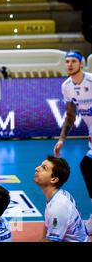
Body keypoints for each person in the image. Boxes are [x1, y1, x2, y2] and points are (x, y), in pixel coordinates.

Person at [54, 50, 92, 234]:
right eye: (67, 61)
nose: (69, 64)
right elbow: (70, 115)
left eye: (73, 61)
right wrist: (62, 139)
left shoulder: (91, 81)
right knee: (88, 166)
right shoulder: (66, 86)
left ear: (81, 64)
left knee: (87, 165)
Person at [33, 156, 90, 242]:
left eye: (44, 168)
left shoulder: (58, 206)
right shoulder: (58, 195)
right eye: (40, 165)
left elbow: (51, 241)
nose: (36, 168)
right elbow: (48, 227)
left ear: (54, 179)